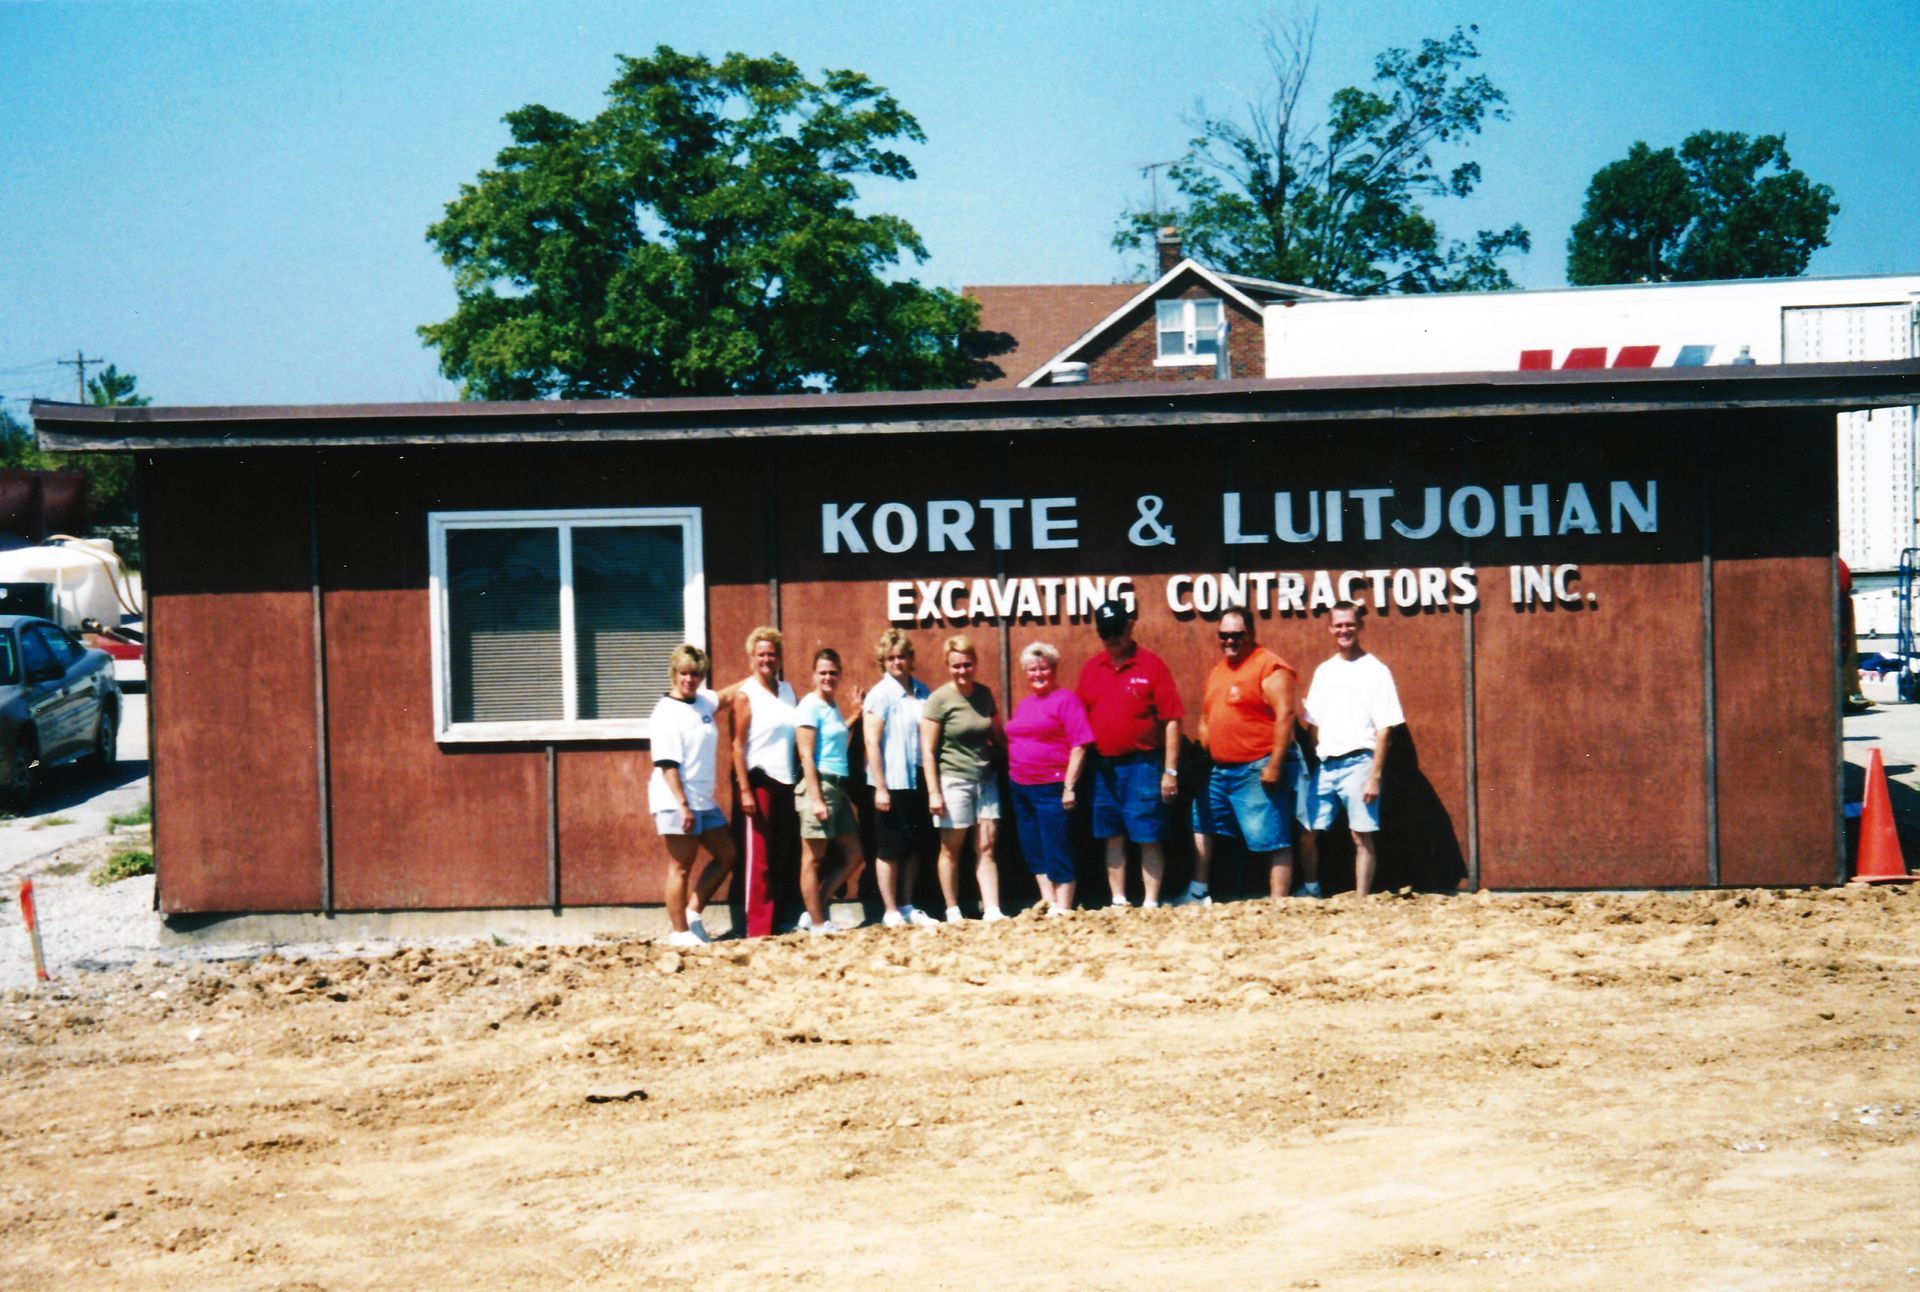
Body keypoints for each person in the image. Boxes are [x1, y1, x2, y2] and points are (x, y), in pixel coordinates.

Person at [1179, 607, 1304, 905]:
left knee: (1274, 836)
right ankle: (1198, 892)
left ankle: (1278, 902)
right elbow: (1207, 718)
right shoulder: (1219, 670)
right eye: (1224, 635)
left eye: (1237, 635)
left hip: (1257, 767)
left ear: (1251, 634)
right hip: (1219, 771)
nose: (1230, 641)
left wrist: (1274, 765)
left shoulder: (1270, 667)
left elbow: (1285, 715)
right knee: (1202, 823)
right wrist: (1204, 757)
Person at [1076, 600, 1184, 909]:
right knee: (1112, 834)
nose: (1112, 637)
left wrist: (1170, 770)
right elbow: (1079, 720)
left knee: (1147, 834)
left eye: (1117, 629)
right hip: (1104, 767)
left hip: (1144, 765)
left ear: (1130, 626)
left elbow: (1172, 719)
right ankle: (1119, 899)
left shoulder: (1151, 665)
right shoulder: (1091, 668)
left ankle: (1150, 901)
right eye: (1105, 631)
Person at [1300, 602, 1404, 898]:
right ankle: (1311, 890)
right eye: (1339, 625)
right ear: (1330, 628)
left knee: (1360, 836)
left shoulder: (1376, 671)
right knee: (1307, 833)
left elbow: (1385, 729)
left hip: (1360, 764)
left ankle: (1360, 900)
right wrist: (1314, 759)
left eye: (1350, 624)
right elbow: (1313, 724)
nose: (1344, 630)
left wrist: (1375, 776)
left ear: (1360, 627)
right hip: (1326, 765)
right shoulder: (1325, 671)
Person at [648, 644, 736, 948]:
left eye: (696, 674)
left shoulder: (701, 702)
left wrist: (756, 677)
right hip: (676, 800)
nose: (690, 679)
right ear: (674, 673)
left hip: (704, 800)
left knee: (727, 855)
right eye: (685, 673)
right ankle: (680, 932)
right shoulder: (666, 713)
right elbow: (667, 764)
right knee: (681, 867)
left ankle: (693, 914)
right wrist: (683, 806)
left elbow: (726, 695)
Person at [921, 634, 1006, 923]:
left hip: (985, 781)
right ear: (948, 666)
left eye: (967, 664)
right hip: (953, 781)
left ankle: (992, 909)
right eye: (956, 666)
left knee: (986, 846)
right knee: (951, 848)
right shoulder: (939, 700)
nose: (962, 671)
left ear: (975, 664)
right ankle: (953, 909)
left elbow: (995, 735)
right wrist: (934, 792)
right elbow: (928, 751)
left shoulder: (984, 694)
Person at [1005, 641, 1095, 916]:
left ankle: (1064, 905)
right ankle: (1049, 900)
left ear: (1054, 669)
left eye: (1043, 668)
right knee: (1033, 845)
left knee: (1057, 844)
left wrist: (1069, 786)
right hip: (1020, 785)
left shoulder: (1066, 700)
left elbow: (1080, 745)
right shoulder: (1025, 705)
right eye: (1032, 670)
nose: (1038, 674)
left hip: (1052, 785)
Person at [862, 629, 940, 928]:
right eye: (891, 657)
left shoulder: (922, 692)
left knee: (913, 847)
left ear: (910, 659)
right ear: (883, 661)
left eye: (902, 656)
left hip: (917, 779)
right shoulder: (880, 694)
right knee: (889, 848)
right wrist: (880, 787)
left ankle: (907, 904)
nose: (898, 662)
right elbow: (871, 742)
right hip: (890, 782)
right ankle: (890, 909)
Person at [728, 626, 799, 938]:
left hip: (786, 782)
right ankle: (757, 929)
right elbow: (736, 746)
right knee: (759, 862)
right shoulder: (746, 695)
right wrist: (744, 789)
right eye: (761, 654)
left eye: (772, 654)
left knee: (782, 854)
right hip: (759, 783)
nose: (767, 659)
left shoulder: (787, 691)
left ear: (779, 657)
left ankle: (777, 920)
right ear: (751, 658)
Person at [793, 648, 867, 935]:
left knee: (855, 854)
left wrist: (856, 714)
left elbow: (833, 739)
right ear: (814, 674)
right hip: (819, 786)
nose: (828, 677)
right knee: (812, 858)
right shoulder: (809, 706)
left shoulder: (831, 705)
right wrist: (816, 798)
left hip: (837, 789)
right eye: (823, 672)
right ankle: (818, 922)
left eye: (833, 673)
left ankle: (813, 909)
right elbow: (807, 755)